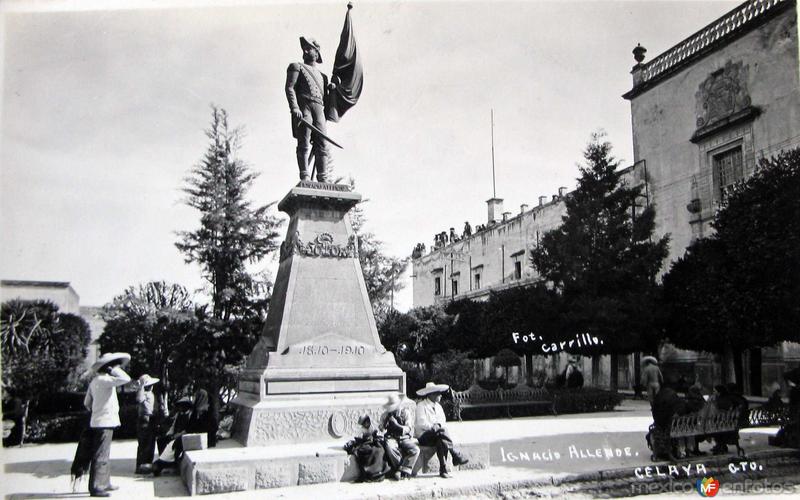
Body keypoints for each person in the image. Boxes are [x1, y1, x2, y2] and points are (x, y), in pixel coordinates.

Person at [71, 352, 131, 497]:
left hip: (96, 422)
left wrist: (97, 411)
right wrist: (114, 370)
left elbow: (87, 403)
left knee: (103, 453)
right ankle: (96, 487)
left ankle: (105, 482)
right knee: (101, 455)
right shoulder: (106, 380)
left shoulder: (94, 381)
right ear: (108, 367)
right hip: (105, 423)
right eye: (114, 365)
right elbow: (126, 378)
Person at [286, 36, 334, 182]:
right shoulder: (296, 67)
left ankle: (322, 177)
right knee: (304, 141)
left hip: (319, 109)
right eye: (304, 48)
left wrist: (333, 91)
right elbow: (290, 87)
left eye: (309, 48)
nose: (306, 50)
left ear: (317, 53)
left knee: (322, 143)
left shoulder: (323, 77)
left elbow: (326, 100)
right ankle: (305, 175)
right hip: (304, 107)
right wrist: (294, 107)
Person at [414, 382, 469, 478]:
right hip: (424, 435)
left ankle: (443, 469)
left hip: (437, 435)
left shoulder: (439, 407)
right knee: (441, 433)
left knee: (441, 440)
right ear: (430, 394)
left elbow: (443, 421)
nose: (440, 395)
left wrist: (438, 426)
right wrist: (433, 426)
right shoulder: (421, 406)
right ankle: (454, 453)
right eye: (437, 393)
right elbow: (421, 423)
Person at [380, 393, 419, 480]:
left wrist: (397, 425)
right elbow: (381, 429)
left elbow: (408, 429)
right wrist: (384, 424)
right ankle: (401, 469)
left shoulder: (405, 413)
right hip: (392, 438)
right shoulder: (385, 415)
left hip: (404, 438)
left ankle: (402, 469)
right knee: (389, 447)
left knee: (415, 450)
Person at [152, 396, 194, 476]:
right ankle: (163, 459)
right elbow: (173, 426)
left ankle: (172, 464)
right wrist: (169, 434)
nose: (181, 407)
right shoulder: (178, 415)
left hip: (183, 435)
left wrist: (177, 435)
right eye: (180, 405)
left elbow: (188, 429)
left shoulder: (190, 415)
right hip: (175, 434)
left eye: (183, 405)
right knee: (161, 440)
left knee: (173, 446)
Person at [344, 415, 390, 482]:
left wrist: (374, 437)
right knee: (368, 451)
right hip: (364, 444)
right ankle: (369, 473)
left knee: (380, 450)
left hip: (372, 443)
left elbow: (376, 435)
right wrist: (365, 439)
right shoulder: (361, 430)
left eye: (368, 422)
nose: (367, 424)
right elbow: (359, 439)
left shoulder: (372, 427)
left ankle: (378, 472)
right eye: (365, 423)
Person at [134, 374, 160, 474]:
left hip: (152, 419)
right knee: (143, 443)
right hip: (145, 418)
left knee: (150, 443)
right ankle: (141, 466)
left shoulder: (152, 394)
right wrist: (141, 387)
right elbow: (139, 399)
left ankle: (147, 465)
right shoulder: (143, 393)